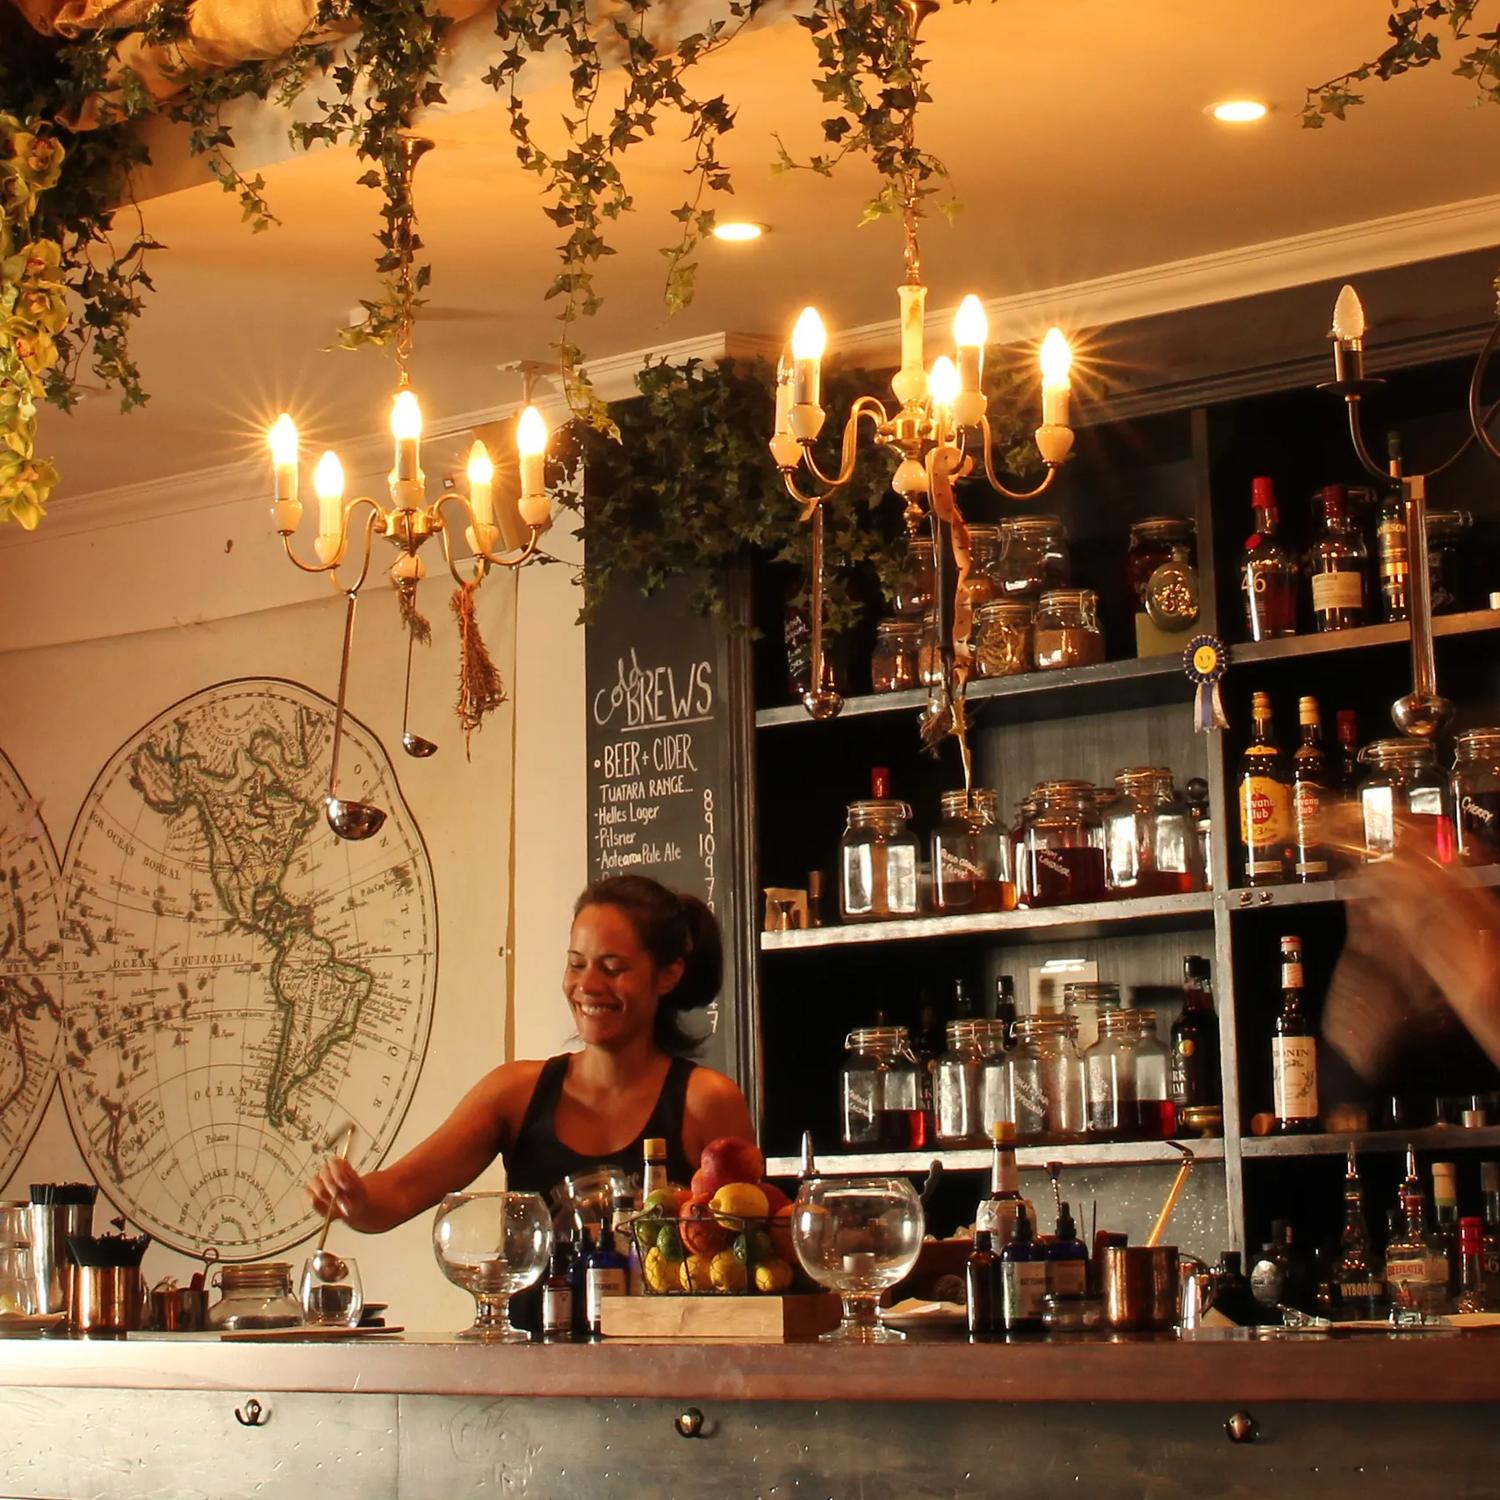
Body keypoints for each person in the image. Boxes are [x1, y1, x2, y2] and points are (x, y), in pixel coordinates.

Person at [308, 875, 754, 1230]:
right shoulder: (514, 1093)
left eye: (613, 968)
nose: (588, 986)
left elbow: (751, 1255)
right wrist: (354, 1197)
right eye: (576, 964)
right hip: (530, 1346)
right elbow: (397, 1196)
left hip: (667, 1347)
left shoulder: (707, 1101)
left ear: (668, 976)